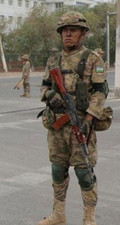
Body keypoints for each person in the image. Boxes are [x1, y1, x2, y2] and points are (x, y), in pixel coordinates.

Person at [38, 11, 107, 225]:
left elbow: (100, 91)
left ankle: (89, 218)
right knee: (58, 170)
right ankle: (59, 215)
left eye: (73, 30)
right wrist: (51, 95)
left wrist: (88, 119)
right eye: (65, 30)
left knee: (84, 172)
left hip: (80, 125)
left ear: (83, 34)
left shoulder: (93, 59)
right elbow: (45, 87)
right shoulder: (53, 60)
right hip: (57, 127)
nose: (68, 34)